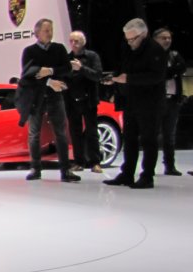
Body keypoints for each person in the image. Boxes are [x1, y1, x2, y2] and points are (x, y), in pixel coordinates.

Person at [103, 18, 167, 189]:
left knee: (148, 139)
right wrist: (115, 79)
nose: (130, 42)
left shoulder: (155, 50)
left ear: (143, 34)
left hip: (150, 103)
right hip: (131, 100)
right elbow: (123, 69)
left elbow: (156, 76)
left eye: (133, 39)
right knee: (129, 138)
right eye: (128, 39)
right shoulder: (128, 49)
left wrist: (129, 79)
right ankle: (127, 173)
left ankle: (147, 176)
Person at [16, 18, 80, 182]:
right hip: (36, 98)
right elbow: (27, 75)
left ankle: (65, 170)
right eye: (46, 30)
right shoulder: (29, 51)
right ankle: (35, 168)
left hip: (55, 97)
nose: (49, 33)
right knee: (34, 134)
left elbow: (67, 69)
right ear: (37, 33)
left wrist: (50, 71)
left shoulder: (59, 49)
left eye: (51, 30)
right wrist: (49, 81)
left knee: (61, 133)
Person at [63, 30, 104, 173]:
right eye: (71, 41)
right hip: (72, 100)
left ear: (83, 42)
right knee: (75, 132)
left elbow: (97, 75)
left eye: (77, 41)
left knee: (92, 132)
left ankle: (95, 162)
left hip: (88, 100)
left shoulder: (92, 56)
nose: (73, 44)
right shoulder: (67, 58)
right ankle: (78, 162)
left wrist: (81, 68)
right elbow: (63, 76)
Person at [153, 27, 186, 176]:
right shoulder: (151, 56)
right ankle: (150, 166)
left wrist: (169, 72)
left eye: (169, 38)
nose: (167, 40)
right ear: (155, 40)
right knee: (153, 134)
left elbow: (182, 67)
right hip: (156, 100)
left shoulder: (174, 55)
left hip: (173, 99)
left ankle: (170, 165)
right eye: (163, 38)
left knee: (170, 135)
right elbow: (160, 74)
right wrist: (171, 72)